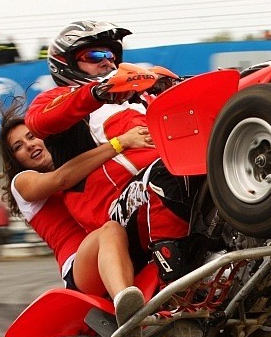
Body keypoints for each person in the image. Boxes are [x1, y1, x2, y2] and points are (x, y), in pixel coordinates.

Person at [25, 20, 195, 284]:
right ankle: (172, 271)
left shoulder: (139, 97)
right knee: (167, 171)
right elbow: (38, 121)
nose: (106, 61)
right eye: (94, 55)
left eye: (111, 55)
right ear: (66, 63)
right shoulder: (58, 99)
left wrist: (167, 85)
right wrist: (97, 92)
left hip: (169, 184)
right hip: (113, 211)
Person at [0, 103, 153, 330]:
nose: (29, 145)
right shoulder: (21, 183)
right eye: (18, 146)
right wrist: (121, 142)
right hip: (80, 267)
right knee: (110, 229)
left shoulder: (82, 160)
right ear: (15, 160)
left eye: (32, 137)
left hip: (117, 248)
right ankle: (128, 313)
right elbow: (61, 179)